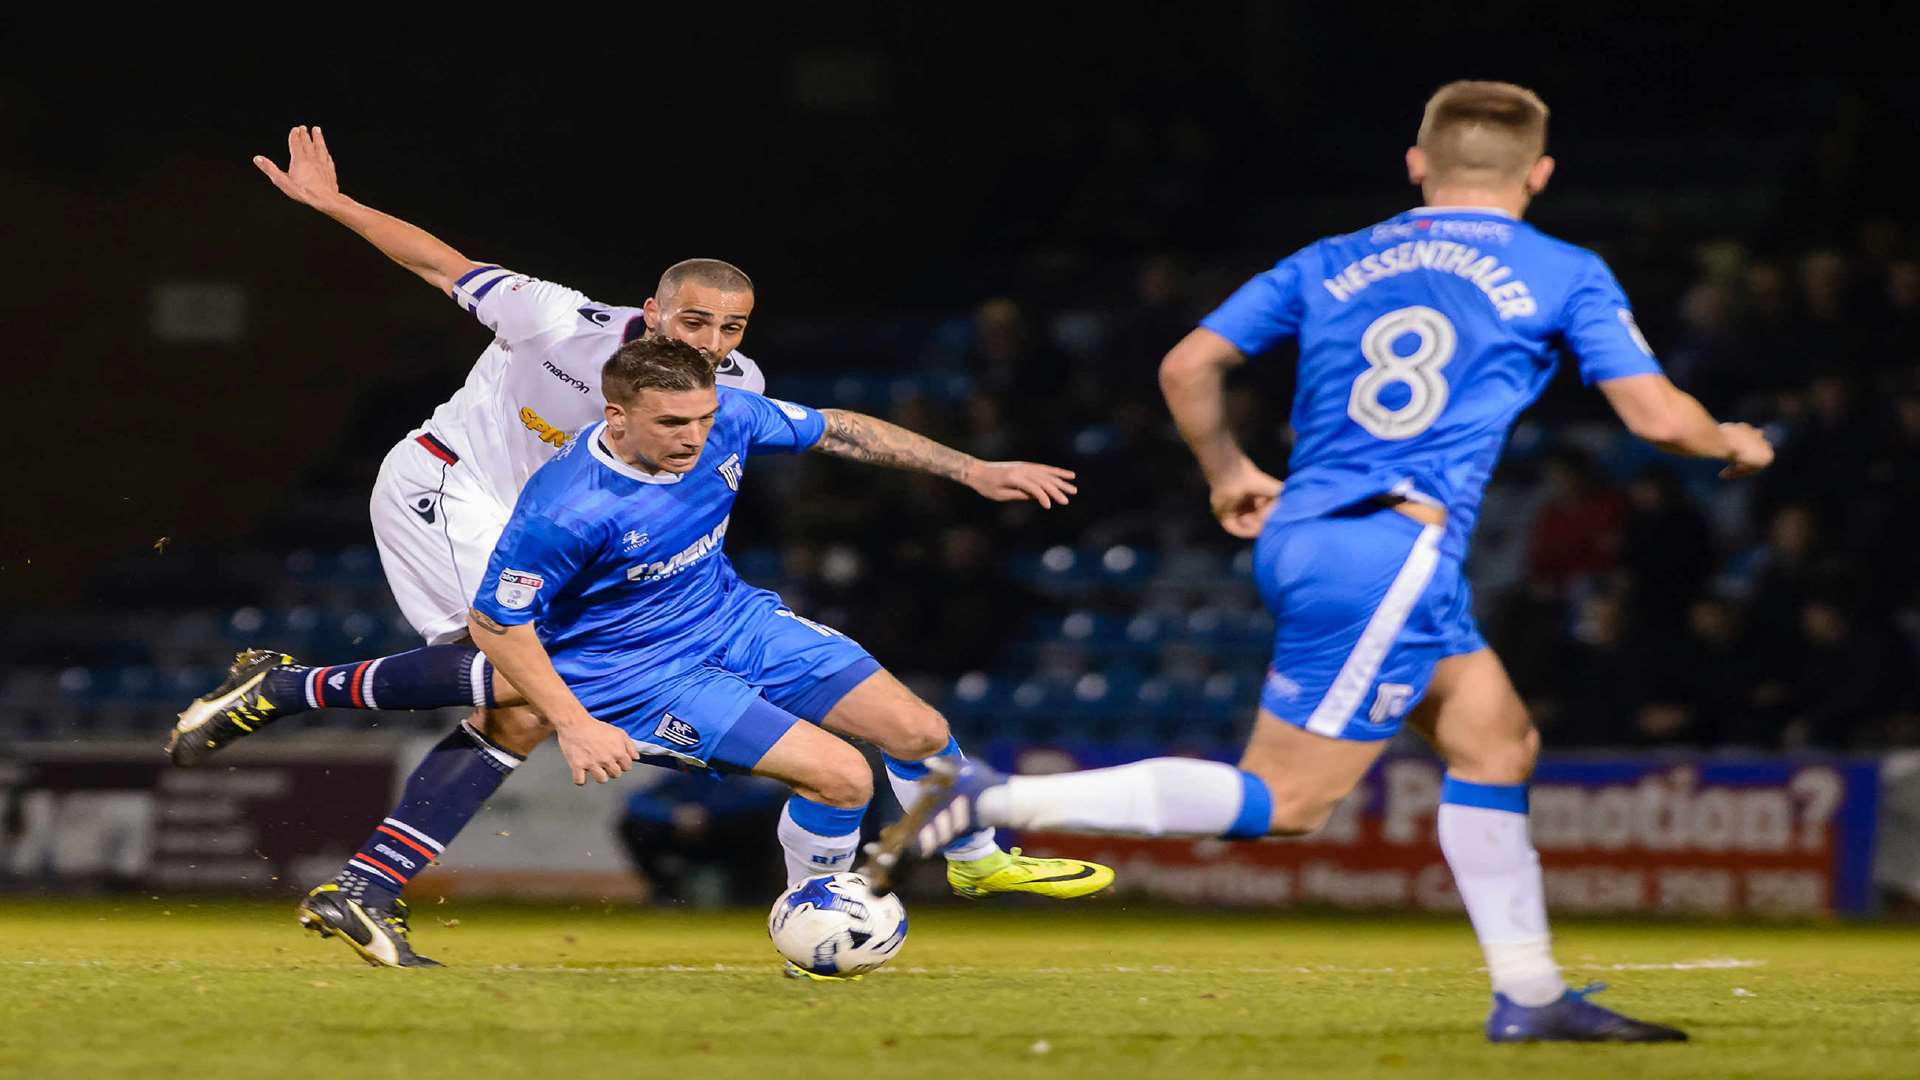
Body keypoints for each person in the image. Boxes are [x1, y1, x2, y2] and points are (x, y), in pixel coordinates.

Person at [868, 80, 1774, 1042]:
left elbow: (1187, 364)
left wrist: (1226, 474)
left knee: (1495, 742)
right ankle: (990, 798)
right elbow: (1653, 415)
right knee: (1289, 802)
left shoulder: (1334, 256)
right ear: (1540, 173)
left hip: (1319, 530)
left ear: (1417, 165)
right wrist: (1731, 443)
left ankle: (1532, 994)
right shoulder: (1563, 269)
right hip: (1393, 546)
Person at [177, 336, 1113, 972]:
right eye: (674, 426)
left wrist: (973, 469)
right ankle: (819, 918)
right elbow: (500, 627)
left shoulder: (724, 420)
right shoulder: (564, 507)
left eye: (705, 420)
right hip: (636, 674)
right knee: (839, 780)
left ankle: (972, 858)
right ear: (617, 416)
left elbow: (842, 428)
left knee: (919, 729)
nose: (697, 439)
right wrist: (579, 724)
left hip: (735, 619)